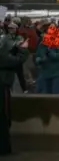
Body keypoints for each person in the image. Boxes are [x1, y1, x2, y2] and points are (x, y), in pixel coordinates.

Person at [0, 23, 30, 155]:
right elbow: (16, 60)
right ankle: (4, 148)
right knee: (3, 117)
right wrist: (23, 49)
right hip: (3, 83)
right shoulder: (4, 47)